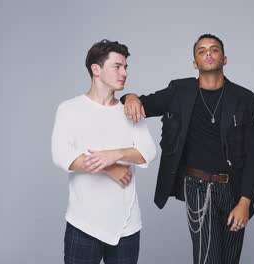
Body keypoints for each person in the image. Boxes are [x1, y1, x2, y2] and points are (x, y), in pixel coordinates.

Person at [121, 34, 254, 264]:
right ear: (194, 63)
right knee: (207, 258)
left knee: (230, 259)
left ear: (224, 59)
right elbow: (141, 104)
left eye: (214, 49)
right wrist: (130, 97)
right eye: (201, 51)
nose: (208, 53)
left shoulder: (244, 98)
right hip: (197, 187)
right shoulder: (179, 91)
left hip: (234, 189)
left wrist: (245, 202)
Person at [51, 39, 156, 264]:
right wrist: (109, 168)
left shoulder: (130, 110)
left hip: (127, 225)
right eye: (117, 66)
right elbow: (61, 155)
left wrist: (113, 155)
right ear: (96, 69)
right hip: (83, 222)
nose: (124, 72)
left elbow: (148, 152)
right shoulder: (69, 109)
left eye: (126, 67)